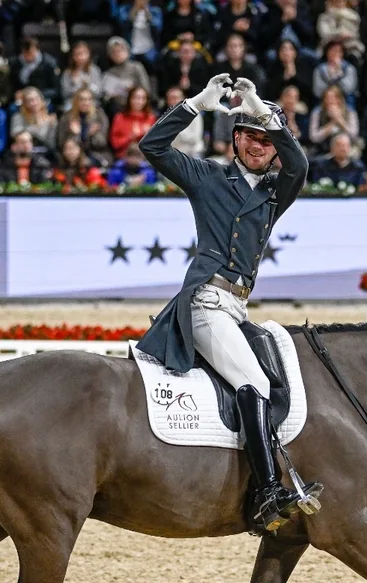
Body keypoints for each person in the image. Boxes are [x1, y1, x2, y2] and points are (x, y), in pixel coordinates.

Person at [135, 74, 318, 532]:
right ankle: (267, 493)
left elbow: (300, 166)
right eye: (249, 136)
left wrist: (263, 112)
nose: (258, 146)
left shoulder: (276, 194)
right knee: (253, 383)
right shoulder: (209, 177)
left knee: (276, 381)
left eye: (264, 140)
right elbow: (152, 147)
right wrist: (194, 104)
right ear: (235, 140)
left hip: (238, 308)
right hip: (206, 301)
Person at [58, 87, 111, 164]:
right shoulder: (66, 118)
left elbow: (101, 143)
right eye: (82, 99)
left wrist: (89, 135)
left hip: (96, 154)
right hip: (73, 156)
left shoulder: (100, 116)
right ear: (76, 101)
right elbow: (61, 143)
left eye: (89, 99)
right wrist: (76, 134)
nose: (86, 102)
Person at [102, 36, 152, 111]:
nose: (118, 54)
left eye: (120, 50)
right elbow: (104, 97)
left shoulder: (136, 67)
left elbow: (146, 89)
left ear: (127, 51)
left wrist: (132, 90)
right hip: (117, 107)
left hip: (137, 104)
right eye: (114, 52)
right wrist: (110, 95)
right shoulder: (109, 72)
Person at [308, 84, 358, 154]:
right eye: (327, 98)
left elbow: (354, 136)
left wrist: (339, 120)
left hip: (345, 150)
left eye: (333, 98)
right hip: (323, 148)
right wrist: (332, 123)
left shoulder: (350, 112)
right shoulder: (317, 112)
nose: (330, 101)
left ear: (339, 100)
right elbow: (313, 137)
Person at [13, 36, 60, 111]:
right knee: (13, 109)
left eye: (30, 52)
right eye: (25, 52)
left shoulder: (49, 63)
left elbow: (56, 90)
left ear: (37, 50)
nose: (27, 56)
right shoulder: (16, 63)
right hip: (22, 99)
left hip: (43, 97)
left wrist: (37, 94)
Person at [110, 84, 156, 158]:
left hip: (146, 157)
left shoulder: (150, 118)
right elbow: (115, 144)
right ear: (130, 99)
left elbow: (155, 143)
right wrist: (131, 137)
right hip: (124, 157)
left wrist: (145, 135)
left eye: (143, 98)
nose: (139, 102)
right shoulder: (120, 117)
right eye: (136, 98)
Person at [9, 86, 56, 156]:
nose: (33, 103)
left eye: (36, 99)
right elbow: (15, 135)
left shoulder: (50, 120)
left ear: (41, 100)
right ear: (24, 103)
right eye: (29, 101)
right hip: (24, 153)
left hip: (45, 154)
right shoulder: (18, 117)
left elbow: (52, 144)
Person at [162, 84, 205, 158]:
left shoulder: (195, 115)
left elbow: (195, 139)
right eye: (170, 98)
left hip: (193, 153)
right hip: (173, 155)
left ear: (183, 99)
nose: (173, 101)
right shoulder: (164, 117)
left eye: (176, 98)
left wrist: (177, 128)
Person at [312, 38, 358, 106]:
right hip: (324, 103)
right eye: (332, 50)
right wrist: (330, 77)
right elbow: (317, 92)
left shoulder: (349, 68)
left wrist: (339, 74)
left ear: (342, 53)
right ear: (327, 52)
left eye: (339, 51)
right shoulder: (319, 69)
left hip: (345, 102)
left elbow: (349, 89)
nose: (335, 54)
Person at [60, 40, 103, 109]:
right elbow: (64, 94)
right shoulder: (68, 73)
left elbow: (99, 93)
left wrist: (88, 84)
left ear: (89, 54)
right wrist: (76, 85)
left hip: (92, 102)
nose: (81, 57)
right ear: (73, 56)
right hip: (73, 102)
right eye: (78, 54)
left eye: (84, 53)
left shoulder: (95, 70)